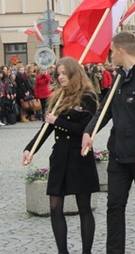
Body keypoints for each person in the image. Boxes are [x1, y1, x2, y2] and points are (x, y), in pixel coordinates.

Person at [82, 31, 135, 254]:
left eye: (111, 51)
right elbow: (105, 111)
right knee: (114, 206)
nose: (110, 56)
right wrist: (89, 131)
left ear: (120, 51)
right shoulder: (119, 76)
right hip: (119, 153)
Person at [22, 57, 100, 254]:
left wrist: (58, 121)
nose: (61, 77)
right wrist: (30, 149)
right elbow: (46, 128)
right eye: (58, 74)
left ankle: (86, 252)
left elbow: (85, 128)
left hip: (79, 157)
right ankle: (62, 251)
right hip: (60, 157)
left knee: (84, 207)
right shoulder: (58, 97)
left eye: (64, 73)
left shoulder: (87, 97)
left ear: (74, 73)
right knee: (55, 206)